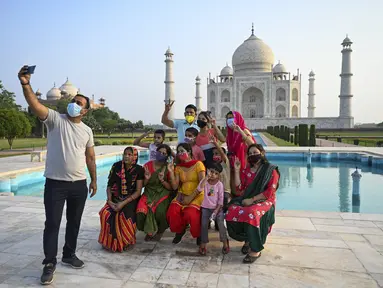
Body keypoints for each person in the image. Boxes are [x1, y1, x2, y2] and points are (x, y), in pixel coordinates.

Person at [18, 66, 97, 285]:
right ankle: (49, 263)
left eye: (80, 103)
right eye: (74, 101)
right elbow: (35, 105)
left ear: (86, 111)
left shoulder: (87, 130)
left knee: (74, 222)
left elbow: (90, 157)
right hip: (55, 184)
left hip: (78, 184)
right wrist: (26, 83)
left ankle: (69, 254)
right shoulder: (55, 119)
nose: (74, 104)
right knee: (52, 224)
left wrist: (94, 180)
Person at [225, 144, 280, 264]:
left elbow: (270, 192)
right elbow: (239, 188)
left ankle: (255, 249)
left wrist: (252, 200)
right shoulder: (247, 170)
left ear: (262, 153)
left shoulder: (270, 170)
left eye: (255, 152)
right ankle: (247, 239)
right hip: (247, 198)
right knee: (231, 210)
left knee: (251, 213)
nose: (252, 155)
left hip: (265, 201)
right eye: (250, 154)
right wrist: (237, 171)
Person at [98, 147, 144, 252]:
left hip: (131, 199)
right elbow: (109, 185)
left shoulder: (139, 170)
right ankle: (108, 242)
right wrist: (109, 200)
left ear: (135, 156)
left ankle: (126, 241)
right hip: (115, 198)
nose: (126, 156)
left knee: (124, 216)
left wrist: (122, 204)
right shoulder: (116, 166)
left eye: (129, 154)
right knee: (105, 213)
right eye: (125, 154)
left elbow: (138, 192)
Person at [166, 143, 206, 244]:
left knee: (191, 213)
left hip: (198, 193)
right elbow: (175, 186)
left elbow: (203, 183)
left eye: (182, 151)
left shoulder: (198, 164)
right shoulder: (179, 167)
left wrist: (191, 197)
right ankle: (180, 231)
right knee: (173, 210)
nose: (180, 154)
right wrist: (171, 171)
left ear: (189, 152)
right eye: (178, 152)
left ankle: (198, 234)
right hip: (182, 193)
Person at [136, 144, 173, 241]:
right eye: (159, 152)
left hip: (162, 193)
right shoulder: (147, 165)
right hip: (148, 192)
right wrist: (147, 179)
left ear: (167, 156)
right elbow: (143, 185)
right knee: (141, 211)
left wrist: (162, 180)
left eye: (164, 153)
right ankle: (149, 230)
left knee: (160, 212)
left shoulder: (168, 168)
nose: (161, 154)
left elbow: (171, 187)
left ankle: (160, 231)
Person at [198, 162, 229, 256]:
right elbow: (199, 189)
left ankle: (225, 242)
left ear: (219, 175)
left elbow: (221, 199)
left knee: (220, 223)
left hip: (217, 208)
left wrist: (216, 210)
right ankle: (203, 244)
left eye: (216, 173)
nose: (213, 175)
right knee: (204, 224)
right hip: (205, 208)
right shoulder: (205, 182)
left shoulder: (219, 184)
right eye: (211, 172)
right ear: (207, 171)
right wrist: (206, 178)